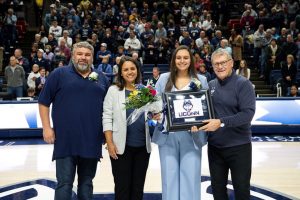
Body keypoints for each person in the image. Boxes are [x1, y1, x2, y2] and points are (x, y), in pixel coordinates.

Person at [38, 41, 109, 200]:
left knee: (86, 183)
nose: (83, 58)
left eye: (87, 55)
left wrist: (107, 134)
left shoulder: (101, 78)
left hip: (92, 140)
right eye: (80, 54)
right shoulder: (59, 74)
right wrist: (47, 128)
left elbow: (108, 109)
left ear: (92, 58)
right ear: (73, 56)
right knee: (64, 183)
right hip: (65, 140)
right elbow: (43, 102)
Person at [198, 48, 256, 200]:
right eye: (216, 64)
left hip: (239, 147)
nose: (220, 66)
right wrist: (192, 124)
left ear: (231, 63)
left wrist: (222, 122)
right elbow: (205, 113)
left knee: (242, 190)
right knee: (218, 191)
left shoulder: (244, 84)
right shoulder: (210, 85)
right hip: (215, 148)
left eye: (223, 62)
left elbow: (247, 114)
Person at [153, 45, 208, 200]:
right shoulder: (164, 79)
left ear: (191, 60)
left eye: (185, 57)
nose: (182, 61)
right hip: (167, 136)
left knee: (190, 178)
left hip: (192, 135)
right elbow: (154, 104)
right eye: (178, 58)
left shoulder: (201, 80)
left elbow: (206, 108)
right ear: (173, 60)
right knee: (169, 179)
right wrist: (154, 114)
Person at [102, 56, 154, 200]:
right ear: (121, 73)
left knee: (138, 189)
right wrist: (110, 142)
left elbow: (151, 115)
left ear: (137, 70)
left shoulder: (145, 91)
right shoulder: (113, 91)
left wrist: (155, 116)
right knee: (122, 189)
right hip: (120, 148)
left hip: (143, 148)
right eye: (126, 69)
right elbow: (107, 117)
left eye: (132, 68)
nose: (129, 72)